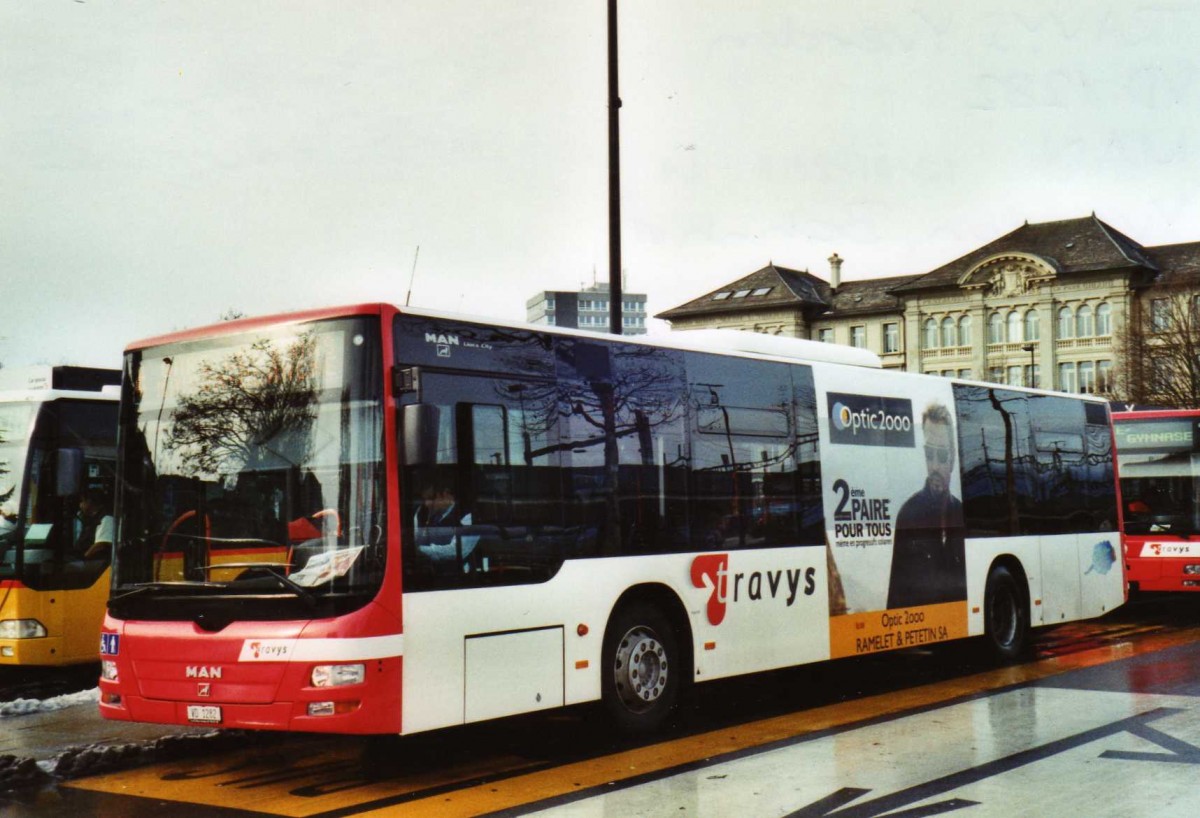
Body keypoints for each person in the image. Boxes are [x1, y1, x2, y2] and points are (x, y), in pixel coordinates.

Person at [887, 402, 966, 609]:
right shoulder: (908, 515)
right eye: (929, 454)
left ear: (953, 458)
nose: (935, 466)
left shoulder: (962, 515)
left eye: (941, 456)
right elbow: (895, 598)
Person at [413, 484, 478, 569]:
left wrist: (421, 550)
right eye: (424, 499)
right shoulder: (421, 512)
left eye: (431, 498)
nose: (427, 504)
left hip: (457, 573)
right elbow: (415, 538)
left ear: (446, 494)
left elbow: (459, 550)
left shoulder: (467, 515)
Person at [75, 489, 114, 560]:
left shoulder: (106, 518)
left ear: (89, 502)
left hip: (96, 561)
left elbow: (101, 545)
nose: (80, 505)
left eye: (82, 501)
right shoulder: (90, 520)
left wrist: (83, 558)